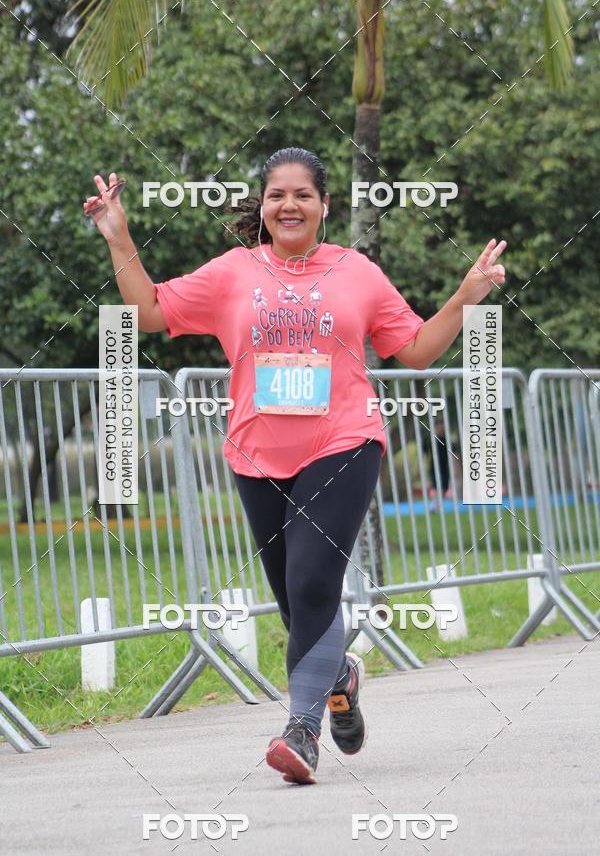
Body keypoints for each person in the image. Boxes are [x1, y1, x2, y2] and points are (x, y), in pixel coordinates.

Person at [83, 147, 506, 785]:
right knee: (295, 603)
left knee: (312, 585)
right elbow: (146, 311)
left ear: (323, 206)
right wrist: (119, 236)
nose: (289, 205)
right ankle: (339, 676)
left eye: (303, 195)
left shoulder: (356, 272)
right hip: (256, 455)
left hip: (344, 443)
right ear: (265, 205)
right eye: (278, 194)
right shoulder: (232, 273)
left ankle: (301, 734)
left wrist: (469, 295)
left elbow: (415, 349)